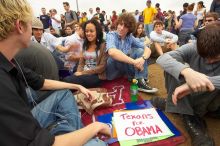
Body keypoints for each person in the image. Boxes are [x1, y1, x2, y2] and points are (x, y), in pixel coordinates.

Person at [0, 0, 111, 146]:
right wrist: (95, 127)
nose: (37, 31)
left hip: (28, 119)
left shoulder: (11, 61)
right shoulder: (3, 85)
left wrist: (76, 86)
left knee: (64, 91)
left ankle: (68, 133)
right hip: (29, 136)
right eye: (33, 26)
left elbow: (40, 82)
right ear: (20, 26)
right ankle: (73, 135)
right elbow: (38, 143)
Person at [152, 22, 220, 146]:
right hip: (196, 98)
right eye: (205, 57)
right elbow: (162, 59)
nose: (209, 61)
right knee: (173, 70)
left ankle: (171, 104)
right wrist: (187, 72)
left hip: (213, 101)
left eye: (215, 58)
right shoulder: (194, 46)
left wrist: (196, 84)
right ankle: (190, 118)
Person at [106, 13, 158, 93]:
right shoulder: (111, 35)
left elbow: (147, 48)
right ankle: (140, 77)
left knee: (140, 51)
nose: (121, 28)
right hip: (113, 70)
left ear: (129, 29)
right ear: (117, 24)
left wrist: (142, 59)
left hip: (125, 70)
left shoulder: (129, 37)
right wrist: (134, 62)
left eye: (125, 26)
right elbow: (112, 52)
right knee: (118, 54)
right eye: (120, 24)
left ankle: (140, 80)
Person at [64, 19, 108, 88]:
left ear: (97, 32)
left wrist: (82, 73)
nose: (88, 33)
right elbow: (81, 63)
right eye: (86, 31)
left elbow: (101, 68)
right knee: (67, 77)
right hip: (83, 74)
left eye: (91, 31)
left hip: (96, 76)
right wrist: (78, 73)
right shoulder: (85, 45)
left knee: (67, 81)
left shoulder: (103, 45)